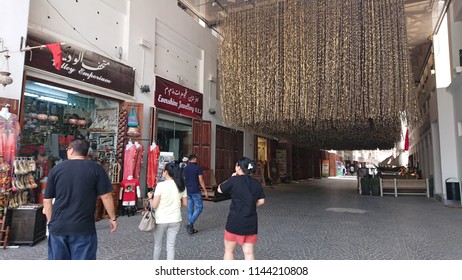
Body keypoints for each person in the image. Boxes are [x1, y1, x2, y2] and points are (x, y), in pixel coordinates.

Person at [43, 138, 118, 260]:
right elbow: (106, 196)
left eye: (67, 149)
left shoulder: (56, 169)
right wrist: (113, 218)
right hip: (83, 227)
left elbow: (47, 201)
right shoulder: (96, 168)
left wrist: (51, 222)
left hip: (59, 226)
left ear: (71, 150)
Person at [217, 157, 265, 260]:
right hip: (250, 222)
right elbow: (262, 201)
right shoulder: (256, 182)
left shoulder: (234, 180)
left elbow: (220, 189)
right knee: (249, 253)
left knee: (229, 251)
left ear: (238, 168)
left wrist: (230, 178)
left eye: (236, 165)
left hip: (234, 220)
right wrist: (250, 205)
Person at [146, 162, 187, 260]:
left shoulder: (161, 186)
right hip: (175, 219)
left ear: (166, 172)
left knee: (157, 245)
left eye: (163, 170)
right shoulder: (181, 186)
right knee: (171, 247)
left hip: (161, 219)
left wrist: (150, 198)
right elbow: (185, 204)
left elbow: (155, 205)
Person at [183, 153, 208, 234]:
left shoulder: (185, 168)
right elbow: (201, 180)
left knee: (190, 209)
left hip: (188, 190)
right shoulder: (198, 168)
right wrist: (205, 190)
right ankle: (190, 224)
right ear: (194, 159)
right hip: (195, 190)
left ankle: (191, 228)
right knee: (200, 207)